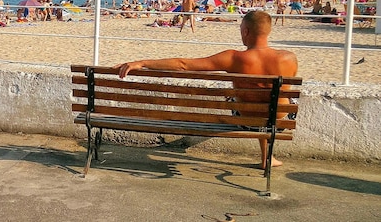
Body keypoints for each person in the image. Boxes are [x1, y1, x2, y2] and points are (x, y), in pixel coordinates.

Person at [114, 10, 298, 169]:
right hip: (279, 121)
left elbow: (183, 65)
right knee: (273, 100)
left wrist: (142, 63)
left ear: (246, 31)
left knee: (245, 100)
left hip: (247, 119)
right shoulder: (289, 58)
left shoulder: (233, 58)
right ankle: (267, 157)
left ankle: (266, 155)